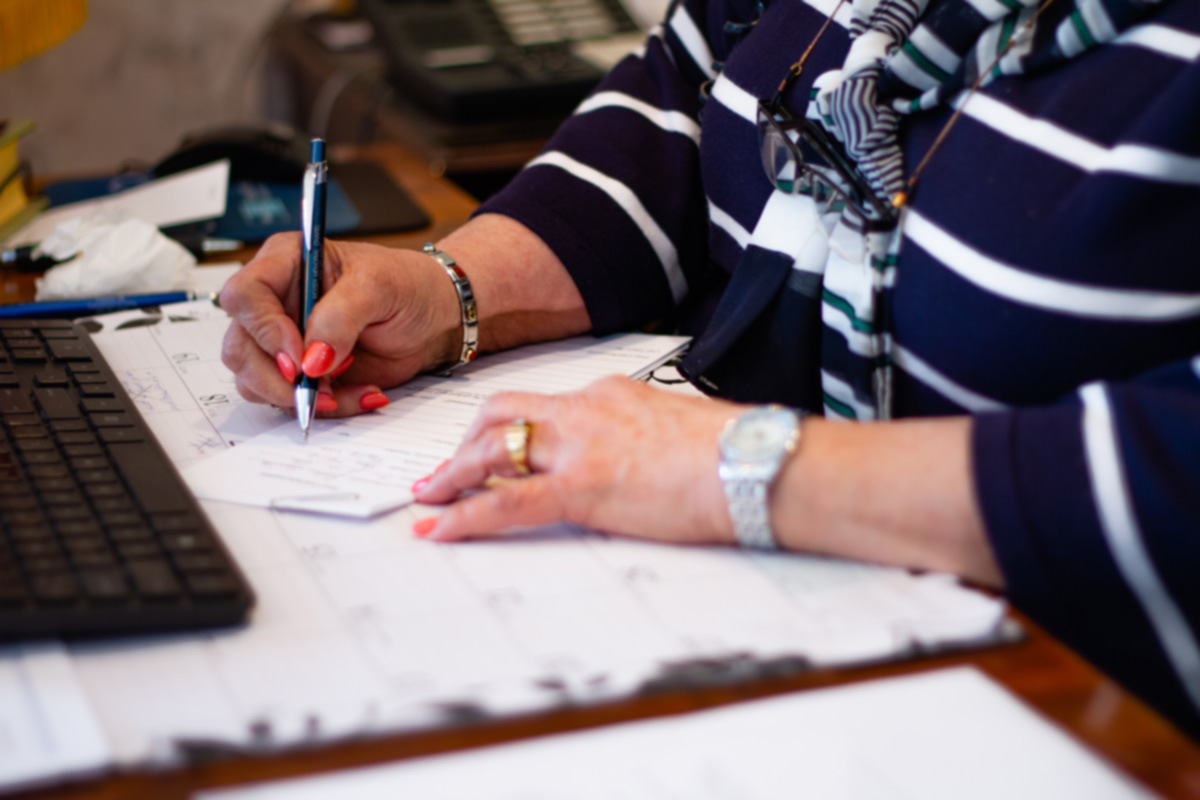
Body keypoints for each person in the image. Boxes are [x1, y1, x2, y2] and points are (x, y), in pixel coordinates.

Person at [220, 0, 1200, 738]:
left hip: (1081, 707)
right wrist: (451, 288)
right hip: (764, 639)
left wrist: (746, 469)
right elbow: (685, 103)